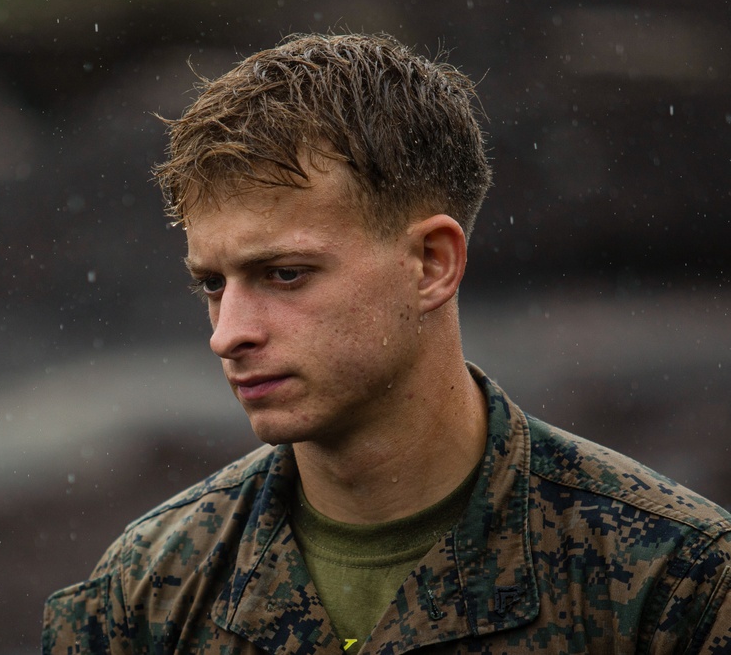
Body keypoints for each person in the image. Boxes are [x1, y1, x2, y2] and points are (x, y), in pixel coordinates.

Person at [42, 32, 731, 654]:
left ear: (432, 263)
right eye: (213, 285)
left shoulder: (676, 585)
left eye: (285, 274)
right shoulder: (144, 594)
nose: (228, 334)